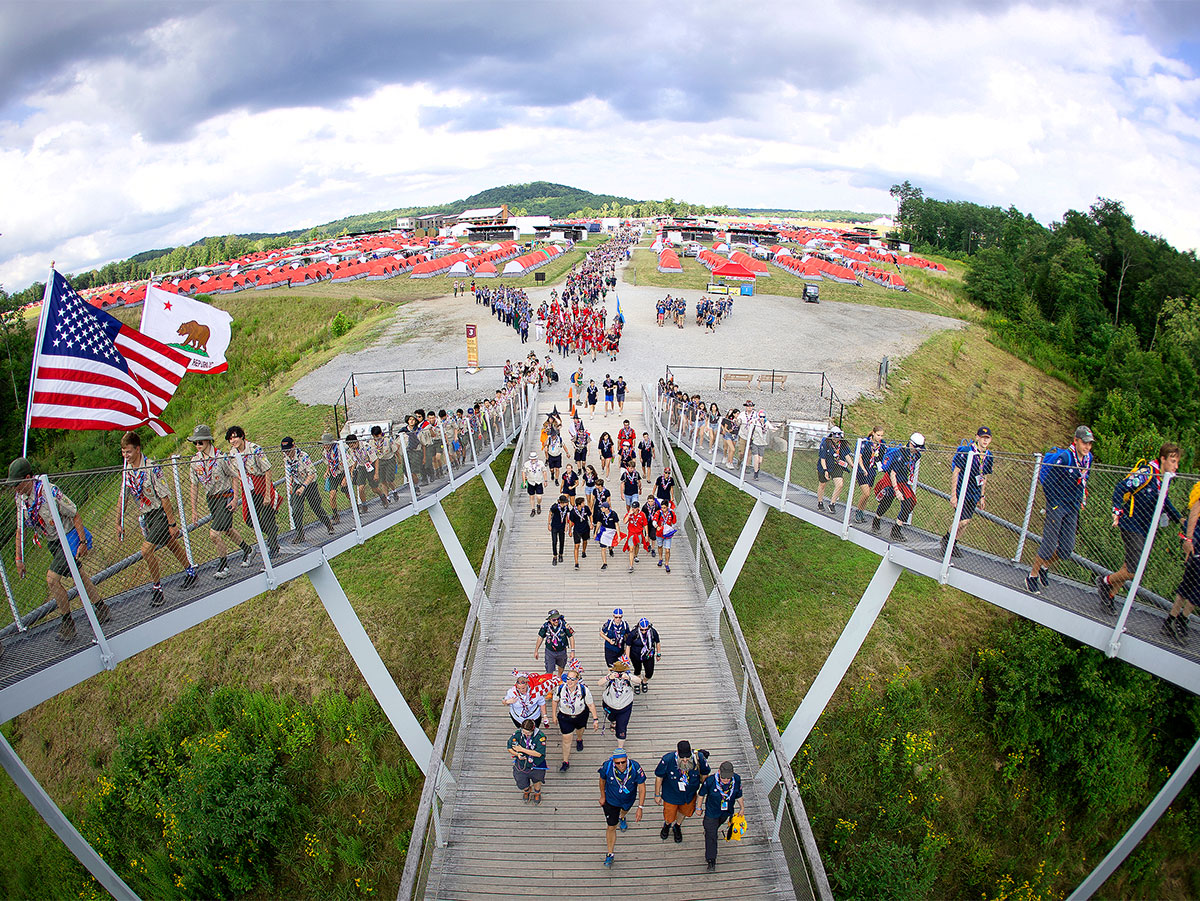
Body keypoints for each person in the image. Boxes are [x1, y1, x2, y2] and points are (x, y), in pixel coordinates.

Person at [9, 457, 109, 642]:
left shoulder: (49, 491)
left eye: (17, 484)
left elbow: (75, 514)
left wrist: (82, 542)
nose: (15, 488)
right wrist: (19, 558)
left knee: (52, 580)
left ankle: (68, 623)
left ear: (28, 478)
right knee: (79, 576)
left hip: (68, 537)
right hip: (53, 542)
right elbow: (20, 529)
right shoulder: (21, 500)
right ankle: (102, 608)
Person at [1098, 442, 1183, 613]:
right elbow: (1121, 487)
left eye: (1177, 462)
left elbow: (1165, 503)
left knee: (1128, 566)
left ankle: (1109, 596)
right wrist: (1116, 509)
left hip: (1145, 528)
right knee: (1134, 569)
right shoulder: (1147, 474)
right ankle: (1104, 581)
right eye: (1173, 461)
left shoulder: (1163, 480)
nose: (1176, 466)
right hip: (1131, 524)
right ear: (1163, 459)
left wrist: (1181, 520)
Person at [117, 431, 197, 607]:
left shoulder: (152, 468)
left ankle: (157, 588)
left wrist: (172, 523)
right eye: (123, 452)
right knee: (171, 544)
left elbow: (164, 497)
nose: (126, 456)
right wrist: (118, 521)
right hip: (147, 515)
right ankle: (191, 572)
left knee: (146, 551)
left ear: (137, 449)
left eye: (128, 451)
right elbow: (123, 496)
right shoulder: (127, 471)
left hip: (160, 513)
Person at [1025, 426, 1095, 594]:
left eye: (1090, 444)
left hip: (1073, 506)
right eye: (1084, 443)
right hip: (1058, 505)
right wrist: (1054, 504)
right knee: (1048, 545)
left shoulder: (1088, 458)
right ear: (1076, 441)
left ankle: (1044, 566)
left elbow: (1084, 479)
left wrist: (1081, 499)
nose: (1087, 447)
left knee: (1066, 548)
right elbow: (1049, 483)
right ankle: (1032, 576)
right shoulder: (1065, 458)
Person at [188, 424, 254, 577]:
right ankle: (248, 550)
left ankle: (224, 567)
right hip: (211, 500)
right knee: (227, 530)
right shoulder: (195, 461)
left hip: (225, 497)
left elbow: (234, 475)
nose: (197, 445)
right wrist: (194, 510)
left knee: (214, 534)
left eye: (200, 442)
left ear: (208, 441)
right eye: (195, 443)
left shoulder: (221, 457)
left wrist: (235, 497)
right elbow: (194, 485)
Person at [226, 426, 282, 557]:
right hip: (249, 487)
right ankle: (271, 532)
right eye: (230, 439)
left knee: (268, 516)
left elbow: (267, 470)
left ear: (241, 436)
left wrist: (268, 494)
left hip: (261, 484)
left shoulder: (254, 449)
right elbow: (234, 472)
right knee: (249, 519)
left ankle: (274, 547)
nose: (233, 440)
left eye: (235, 437)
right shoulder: (232, 454)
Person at [942, 426, 994, 557]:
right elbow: (956, 471)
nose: (985, 441)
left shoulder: (988, 456)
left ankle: (953, 543)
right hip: (962, 490)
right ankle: (947, 540)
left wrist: (982, 495)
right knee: (962, 520)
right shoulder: (967, 451)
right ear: (977, 437)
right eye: (983, 438)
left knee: (967, 521)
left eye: (987, 438)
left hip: (974, 492)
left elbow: (985, 476)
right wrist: (953, 495)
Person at [654, 740, 711, 843]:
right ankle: (667, 825)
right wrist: (657, 794)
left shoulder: (699, 758)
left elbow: (705, 775)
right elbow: (659, 777)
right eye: (682, 757)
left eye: (687, 757)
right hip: (671, 794)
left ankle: (677, 826)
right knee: (669, 815)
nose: (685, 760)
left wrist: (703, 792)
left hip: (689, 794)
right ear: (677, 753)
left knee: (685, 812)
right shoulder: (667, 760)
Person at [597, 749, 646, 867]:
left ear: (627, 759)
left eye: (623, 762)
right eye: (618, 763)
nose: (621, 765)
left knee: (624, 812)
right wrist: (602, 796)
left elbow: (642, 787)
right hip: (611, 801)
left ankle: (622, 817)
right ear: (613, 761)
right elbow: (602, 780)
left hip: (628, 799)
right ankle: (610, 854)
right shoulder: (607, 767)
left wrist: (640, 807)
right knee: (611, 826)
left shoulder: (635, 767)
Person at [872, 433, 925, 543]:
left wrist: (908, 485)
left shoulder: (915, 455)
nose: (917, 450)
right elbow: (893, 474)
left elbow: (911, 467)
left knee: (909, 502)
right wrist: (896, 490)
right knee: (887, 502)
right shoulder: (900, 455)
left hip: (903, 481)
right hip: (892, 480)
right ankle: (876, 520)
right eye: (916, 448)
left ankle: (896, 529)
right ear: (911, 443)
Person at [281, 436, 335, 541]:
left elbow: (311, 473)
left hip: (309, 483)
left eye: (288, 450)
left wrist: (303, 487)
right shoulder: (286, 458)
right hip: (297, 483)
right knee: (296, 510)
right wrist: (292, 482)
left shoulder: (303, 456)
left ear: (293, 446)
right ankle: (300, 535)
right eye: (285, 451)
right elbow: (291, 470)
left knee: (316, 507)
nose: (287, 453)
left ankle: (329, 525)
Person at [699, 761, 745, 871]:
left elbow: (739, 794)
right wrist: (698, 807)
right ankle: (711, 860)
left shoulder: (737, 780)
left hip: (726, 812)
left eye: (728, 778)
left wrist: (742, 807)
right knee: (711, 835)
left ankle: (711, 831)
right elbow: (701, 794)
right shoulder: (710, 781)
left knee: (715, 828)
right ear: (719, 772)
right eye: (724, 778)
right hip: (711, 812)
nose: (726, 780)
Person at [553, 669, 599, 771]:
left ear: (577, 680)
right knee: (566, 739)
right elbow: (555, 701)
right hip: (565, 717)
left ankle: (579, 739)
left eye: (572, 679)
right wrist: (553, 715)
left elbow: (590, 704)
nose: (569, 681)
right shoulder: (560, 688)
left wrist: (595, 719)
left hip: (580, 715)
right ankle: (565, 761)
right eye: (568, 679)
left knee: (580, 730)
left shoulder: (584, 690)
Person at [600, 659, 642, 748]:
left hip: (625, 706)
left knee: (622, 729)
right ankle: (613, 721)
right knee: (610, 717)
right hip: (609, 704)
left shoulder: (628, 676)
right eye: (617, 672)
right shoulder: (610, 676)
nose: (619, 674)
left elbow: (639, 681)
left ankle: (620, 748)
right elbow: (599, 683)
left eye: (621, 672)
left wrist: (629, 677)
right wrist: (609, 677)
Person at [507, 718, 547, 804]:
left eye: (528, 733)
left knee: (537, 780)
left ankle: (537, 793)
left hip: (536, 764)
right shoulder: (517, 734)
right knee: (521, 781)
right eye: (524, 732)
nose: (525, 734)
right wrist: (517, 754)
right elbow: (509, 747)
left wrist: (522, 749)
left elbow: (538, 754)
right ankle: (527, 791)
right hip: (521, 764)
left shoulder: (540, 737)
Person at [853, 427, 886, 524]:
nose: (880, 437)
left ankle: (862, 511)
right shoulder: (865, 442)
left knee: (867, 495)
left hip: (872, 470)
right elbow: (859, 456)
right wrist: (863, 468)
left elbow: (882, 457)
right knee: (866, 492)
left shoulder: (881, 445)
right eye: (878, 435)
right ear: (873, 433)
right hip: (863, 471)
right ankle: (858, 511)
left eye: (881, 435)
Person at [816, 427, 851, 513]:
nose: (836, 439)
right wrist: (825, 470)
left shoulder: (842, 444)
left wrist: (852, 465)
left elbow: (847, 455)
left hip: (836, 465)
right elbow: (822, 458)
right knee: (822, 484)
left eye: (838, 438)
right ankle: (820, 502)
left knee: (840, 484)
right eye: (834, 437)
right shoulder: (826, 443)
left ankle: (832, 503)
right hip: (825, 465)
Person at [320, 432, 352, 522]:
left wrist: (346, 477)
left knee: (347, 492)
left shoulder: (340, 449)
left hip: (342, 472)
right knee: (332, 494)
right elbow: (329, 463)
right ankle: (335, 514)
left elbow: (349, 464)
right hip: (333, 473)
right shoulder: (325, 452)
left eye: (327, 444)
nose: (325, 446)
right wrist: (327, 471)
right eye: (324, 444)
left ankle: (354, 508)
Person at [534, 608, 575, 675]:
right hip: (550, 652)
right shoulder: (546, 626)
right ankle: (550, 681)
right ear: (550, 620)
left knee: (561, 666)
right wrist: (536, 650)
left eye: (558, 619)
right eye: (554, 620)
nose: (556, 621)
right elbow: (540, 637)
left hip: (562, 651)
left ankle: (559, 676)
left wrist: (572, 651)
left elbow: (571, 636)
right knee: (549, 670)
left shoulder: (564, 624)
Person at [627, 617, 661, 693]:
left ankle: (644, 681)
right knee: (637, 670)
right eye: (642, 630)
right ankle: (637, 683)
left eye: (646, 629)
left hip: (648, 655)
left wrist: (658, 653)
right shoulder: (633, 633)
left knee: (649, 673)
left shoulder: (653, 632)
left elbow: (657, 642)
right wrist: (627, 658)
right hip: (636, 655)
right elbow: (628, 646)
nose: (644, 631)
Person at [749, 410, 779, 482]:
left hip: (762, 443)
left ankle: (757, 471)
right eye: (760, 416)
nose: (762, 418)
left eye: (763, 417)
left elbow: (772, 429)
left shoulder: (766, 423)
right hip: (755, 442)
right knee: (756, 459)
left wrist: (777, 428)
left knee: (760, 460)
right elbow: (749, 424)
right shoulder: (755, 422)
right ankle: (755, 474)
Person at [594, 499, 620, 570]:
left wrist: (619, 535)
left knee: (610, 544)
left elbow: (617, 524)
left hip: (611, 531)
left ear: (606, 508)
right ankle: (604, 563)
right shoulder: (600, 513)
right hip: (604, 531)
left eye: (602, 507)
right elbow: (599, 522)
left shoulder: (613, 514)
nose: (601, 509)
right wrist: (596, 532)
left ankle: (611, 549)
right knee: (603, 548)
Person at [654, 499, 678, 573]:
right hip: (659, 533)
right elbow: (654, 521)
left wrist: (672, 528)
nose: (663, 509)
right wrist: (656, 526)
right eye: (662, 507)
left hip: (667, 534)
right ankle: (660, 558)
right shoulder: (658, 512)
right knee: (660, 546)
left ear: (667, 507)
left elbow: (674, 522)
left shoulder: (671, 513)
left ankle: (667, 564)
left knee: (667, 550)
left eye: (664, 508)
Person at [624, 501, 648, 572]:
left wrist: (647, 535)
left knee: (637, 545)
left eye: (635, 508)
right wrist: (629, 514)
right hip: (631, 534)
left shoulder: (642, 514)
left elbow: (645, 525)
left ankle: (636, 555)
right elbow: (624, 522)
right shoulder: (629, 514)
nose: (633, 509)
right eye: (632, 508)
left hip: (639, 533)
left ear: (638, 508)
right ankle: (631, 565)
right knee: (631, 549)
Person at [569, 496, 591, 569]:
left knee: (585, 541)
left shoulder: (586, 508)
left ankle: (583, 551)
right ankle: (576, 562)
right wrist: (569, 530)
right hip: (577, 530)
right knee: (576, 546)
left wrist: (591, 523)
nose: (584, 503)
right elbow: (571, 521)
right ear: (579, 504)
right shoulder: (573, 511)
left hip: (585, 529)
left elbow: (590, 515)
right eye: (583, 502)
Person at [548, 493, 569, 566]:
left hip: (562, 526)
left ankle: (560, 554)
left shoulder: (566, 508)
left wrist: (566, 524)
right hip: (554, 526)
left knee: (562, 541)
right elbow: (550, 513)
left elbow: (566, 515)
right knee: (554, 541)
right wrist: (549, 524)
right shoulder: (555, 507)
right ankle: (554, 556)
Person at [522, 452, 545, 517]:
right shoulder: (526, 464)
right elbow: (523, 472)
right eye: (532, 459)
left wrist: (545, 480)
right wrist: (524, 482)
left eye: (534, 458)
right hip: (530, 482)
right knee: (531, 497)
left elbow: (544, 471)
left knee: (539, 497)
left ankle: (538, 504)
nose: (533, 460)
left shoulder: (540, 463)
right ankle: (533, 509)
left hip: (538, 481)